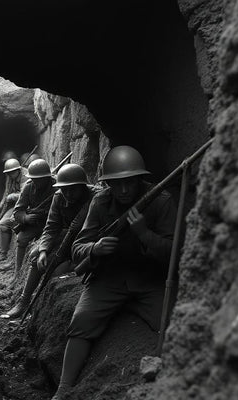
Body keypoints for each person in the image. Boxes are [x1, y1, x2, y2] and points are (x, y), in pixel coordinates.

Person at [52, 146, 177, 399]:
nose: (123, 191)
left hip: (149, 279)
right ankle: (63, 389)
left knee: (172, 323)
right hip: (108, 278)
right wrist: (95, 249)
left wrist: (145, 235)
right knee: (82, 321)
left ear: (139, 179)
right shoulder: (100, 202)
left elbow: (174, 251)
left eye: (129, 183)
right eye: (115, 184)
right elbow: (77, 248)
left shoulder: (161, 201)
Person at [1, 164, 94, 319]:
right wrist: (43, 249)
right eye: (65, 189)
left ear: (82, 187)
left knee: (57, 272)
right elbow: (51, 226)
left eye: (73, 189)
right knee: (37, 258)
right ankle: (23, 302)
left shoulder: (95, 198)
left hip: (87, 241)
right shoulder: (58, 196)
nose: (69, 194)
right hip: (66, 235)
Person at [11, 158, 57, 277]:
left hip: (53, 223)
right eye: (34, 179)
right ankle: (17, 273)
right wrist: (26, 218)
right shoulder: (28, 187)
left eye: (39, 179)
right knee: (21, 239)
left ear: (47, 177)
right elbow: (18, 211)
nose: (36, 182)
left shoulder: (57, 186)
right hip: (36, 223)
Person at [0, 158, 28, 263]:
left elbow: (25, 196)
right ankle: (3, 253)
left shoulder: (25, 177)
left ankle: (9, 257)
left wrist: (12, 196)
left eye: (12, 172)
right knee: (2, 224)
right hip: (17, 205)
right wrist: (3, 199)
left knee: (7, 225)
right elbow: (7, 190)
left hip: (27, 207)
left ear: (18, 170)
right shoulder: (10, 175)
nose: (10, 175)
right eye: (8, 173)